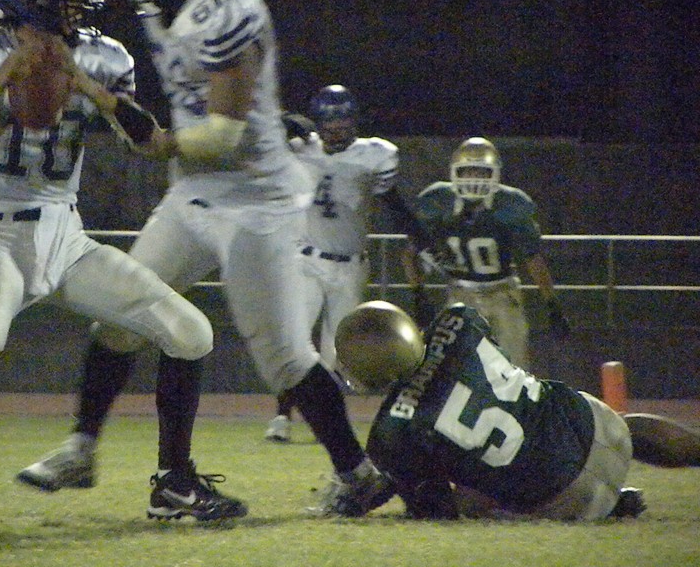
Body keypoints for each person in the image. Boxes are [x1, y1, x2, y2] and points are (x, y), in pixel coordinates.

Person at [17, 0, 391, 519]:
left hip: (256, 201)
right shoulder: (156, 1)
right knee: (122, 316)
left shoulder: (230, 3)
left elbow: (221, 134)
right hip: (193, 192)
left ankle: (358, 475)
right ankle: (88, 451)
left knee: (285, 357)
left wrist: (163, 141)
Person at [0, 0, 217, 516]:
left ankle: (174, 483)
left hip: (65, 236)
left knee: (190, 332)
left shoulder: (102, 55)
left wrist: (88, 87)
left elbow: (150, 143)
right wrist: (0, 78)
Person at [333, 300, 700, 520]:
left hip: (563, 498)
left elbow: (436, 509)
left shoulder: (391, 433)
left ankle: (612, 506)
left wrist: (389, 485)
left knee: (472, 497)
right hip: (591, 426)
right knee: (623, 426)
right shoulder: (459, 322)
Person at [264, 84, 416, 443]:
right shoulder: (302, 148)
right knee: (296, 340)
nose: (335, 131)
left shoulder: (373, 155)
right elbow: (254, 133)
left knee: (336, 351)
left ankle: (324, 420)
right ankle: (282, 416)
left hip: (350, 266)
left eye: (342, 123)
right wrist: (285, 120)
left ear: (354, 122)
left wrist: (418, 235)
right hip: (307, 259)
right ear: (318, 124)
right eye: (328, 124)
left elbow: (393, 203)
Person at [402, 136, 569, 370]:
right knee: (456, 370)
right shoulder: (439, 201)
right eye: (468, 171)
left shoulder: (510, 204)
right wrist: (419, 295)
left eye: (481, 172)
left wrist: (552, 304)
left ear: (495, 174)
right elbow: (410, 253)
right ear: (454, 172)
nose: (474, 178)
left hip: (502, 293)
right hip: (460, 294)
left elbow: (533, 259)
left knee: (514, 368)